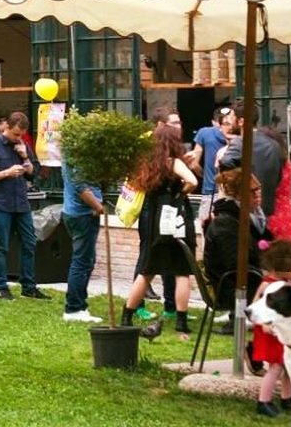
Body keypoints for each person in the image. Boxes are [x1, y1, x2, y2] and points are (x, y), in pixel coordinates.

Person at [119, 124, 201, 339]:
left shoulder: (147, 164)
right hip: (174, 218)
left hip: (154, 218)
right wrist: (180, 192)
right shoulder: (173, 162)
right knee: (182, 270)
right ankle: (181, 323)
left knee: (147, 270)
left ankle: (126, 315)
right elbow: (193, 181)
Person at [0, 111, 48, 301]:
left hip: (21, 202)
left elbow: (33, 174)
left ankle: (28, 286)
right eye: (16, 134)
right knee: (1, 245)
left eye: (21, 135)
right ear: (6, 127)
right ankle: (1, 288)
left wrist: (25, 158)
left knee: (29, 242)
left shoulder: (22, 145)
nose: (18, 138)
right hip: (0, 202)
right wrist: (7, 173)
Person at [203, 167, 269, 331]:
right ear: (238, 194)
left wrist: (289, 261)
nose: (257, 195)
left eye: (258, 190)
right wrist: (271, 269)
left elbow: (267, 244)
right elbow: (236, 263)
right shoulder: (226, 222)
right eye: (252, 191)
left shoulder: (251, 217)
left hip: (251, 273)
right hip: (230, 285)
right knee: (288, 273)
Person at [252, 240, 291, 418]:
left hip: (283, 331)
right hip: (271, 332)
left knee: (288, 366)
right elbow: (255, 306)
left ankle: (287, 398)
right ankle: (263, 400)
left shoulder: (286, 282)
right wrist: (263, 323)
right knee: (276, 366)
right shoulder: (268, 285)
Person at [59, 160, 105, 323]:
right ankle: (73, 308)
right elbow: (80, 187)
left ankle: (80, 304)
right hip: (82, 214)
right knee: (82, 261)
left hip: (77, 213)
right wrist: (98, 206)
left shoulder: (72, 151)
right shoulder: (75, 154)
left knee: (87, 260)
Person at [191, 107, 236, 224]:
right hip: (233, 192)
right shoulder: (241, 139)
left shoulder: (204, 133)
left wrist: (205, 175)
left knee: (207, 229)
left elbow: (194, 164)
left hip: (210, 191)